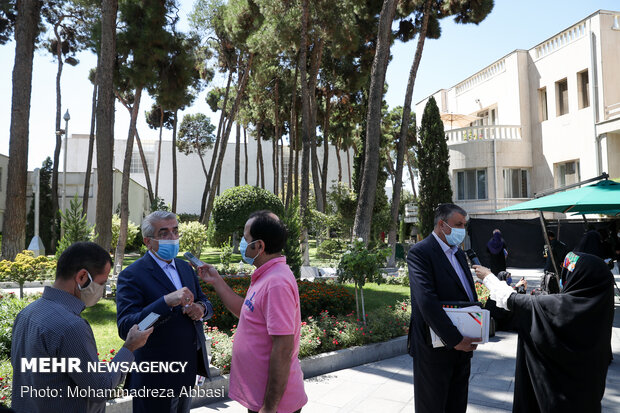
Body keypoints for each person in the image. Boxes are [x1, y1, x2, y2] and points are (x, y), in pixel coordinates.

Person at [11, 242, 153, 413]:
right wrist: (129, 347)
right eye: (103, 282)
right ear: (82, 277)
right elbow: (99, 388)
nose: (103, 289)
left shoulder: (26, 313)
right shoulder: (71, 326)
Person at [195, 211, 307, 413]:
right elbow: (246, 312)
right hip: (260, 398)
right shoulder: (266, 275)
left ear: (260, 246)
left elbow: (283, 349)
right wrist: (216, 281)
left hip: (275, 405)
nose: (242, 245)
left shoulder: (276, 283)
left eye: (246, 239)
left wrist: (270, 407)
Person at [474, 252, 614, 413]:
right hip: (587, 399)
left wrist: (488, 276)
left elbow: (512, 299)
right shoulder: (599, 308)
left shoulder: (560, 307)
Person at [116, 211, 214, 413]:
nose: (172, 238)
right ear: (147, 241)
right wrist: (165, 303)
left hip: (186, 373)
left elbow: (205, 301)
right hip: (155, 379)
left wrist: (201, 309)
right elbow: (129, 327)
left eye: (175, 231)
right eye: (164, 233)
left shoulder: (184, 268)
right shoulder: (132, 275)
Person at [407, 203, 480, 413]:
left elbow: (466, 294)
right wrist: (455, 339)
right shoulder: (420, 253)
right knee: (433, 406)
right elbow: (426, 301)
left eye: (464, 225)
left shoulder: (458, 253)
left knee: (456, 405)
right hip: (435, 350)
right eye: (458, 224)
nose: (462, 230)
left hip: (463, 349)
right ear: (442, 225)